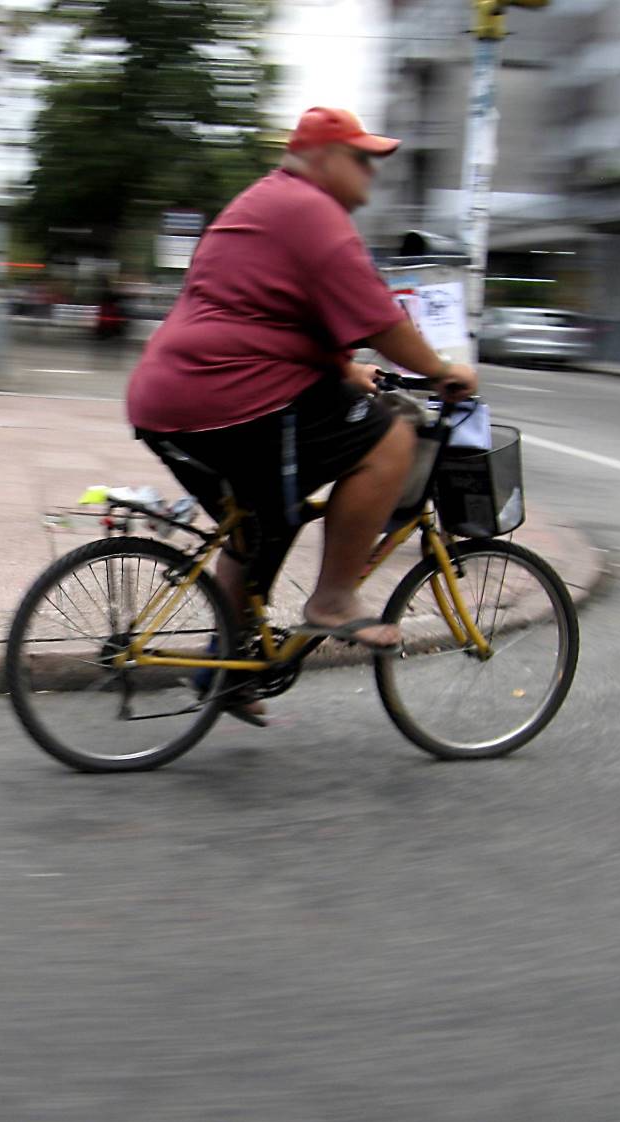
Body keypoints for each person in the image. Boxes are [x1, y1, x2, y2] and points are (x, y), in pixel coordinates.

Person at [126, 107, 478, 718]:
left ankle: (225, 670)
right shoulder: (313, 213)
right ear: (319, 159)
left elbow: (266, 311)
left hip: (169, 395)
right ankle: (335, 598)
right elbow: (383, 322)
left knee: (262, 525)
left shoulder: (264, 203)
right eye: (360, 157)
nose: (371, 171)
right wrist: (445, 370)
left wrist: (345, 369)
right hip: (230, 397)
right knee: (391, 436)